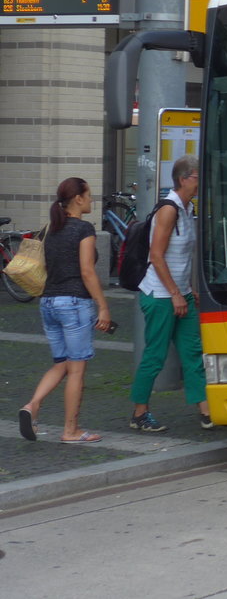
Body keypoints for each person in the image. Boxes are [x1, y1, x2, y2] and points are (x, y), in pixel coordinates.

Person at [18, 177, 112, 443]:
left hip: (48, 302)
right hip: (74, 304)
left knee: (62, 364)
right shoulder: (84, 229)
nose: (92, 200)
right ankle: (71, 430)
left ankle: (32, 405)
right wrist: (103, 306)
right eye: (89, 195)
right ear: (78, 199)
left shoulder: (52, 228)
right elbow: (86, 270)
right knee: (77, 369)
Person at [130, 155, 211, 432]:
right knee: (155, 355)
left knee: (193, 352)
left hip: (180, 293)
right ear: (183, 179)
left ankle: (206, 410)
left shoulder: (188, 208)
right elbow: (157, 256)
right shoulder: (169, 209)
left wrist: (189, 290)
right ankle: (140, 412)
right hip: (161, 295)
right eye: (198, 177)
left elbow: (184, 258)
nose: (201, 182)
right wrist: (176, 293)